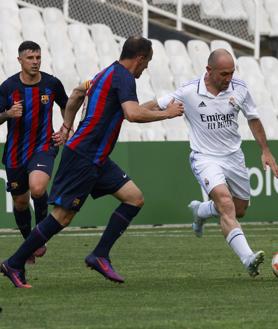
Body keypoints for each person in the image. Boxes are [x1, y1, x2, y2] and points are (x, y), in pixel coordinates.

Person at [0, 36, 184, 288]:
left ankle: (99, 254)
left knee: (134, 198)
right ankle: (14, 262)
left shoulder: (105, 73)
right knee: (62, 217)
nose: (147, 67)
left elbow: (76, 94)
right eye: (147, 62)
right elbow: (132, 113)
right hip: (84, 156)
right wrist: (167, 114)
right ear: (139, 58)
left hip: (96, 156)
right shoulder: (125, 77)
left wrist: (66, 125)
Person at [157, 49, 278, 277]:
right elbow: (156, 104)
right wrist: (128, 110)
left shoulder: (239, 88)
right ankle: (248, 258)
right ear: (209, 71)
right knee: (225, 202)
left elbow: (253, 118)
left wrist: (265, 150)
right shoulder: (189, 91)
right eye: (223, 74)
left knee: (239, 209)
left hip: (233, 156)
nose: (228, 78)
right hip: (205, 157)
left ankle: (201, 211)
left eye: (231, 73)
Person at [0, 41, 68, 264]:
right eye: (30, 58)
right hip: (15, 153)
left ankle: (41, 237)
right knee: (20, 202)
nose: (35, 62)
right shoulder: (8, 87)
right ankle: (29, 243)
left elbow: (67, 105)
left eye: (38, 57)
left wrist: (66, 129)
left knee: (38, 189)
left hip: (43, 147)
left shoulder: (51, 84)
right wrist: (8, 113)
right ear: (20, 60)